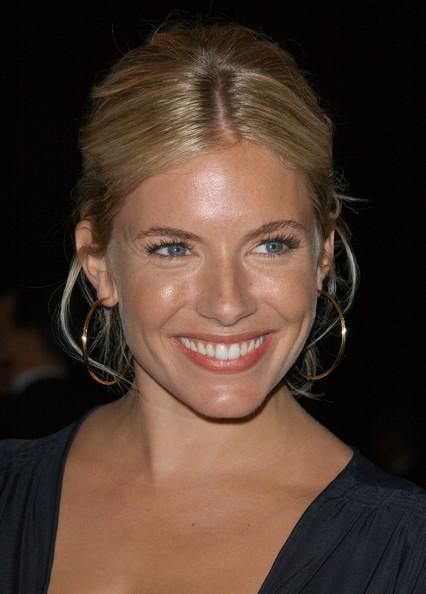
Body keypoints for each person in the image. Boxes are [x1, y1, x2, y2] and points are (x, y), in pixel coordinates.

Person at [0, 21, 424, 594]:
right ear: (98, 264)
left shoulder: (405, 553)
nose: (228, 304)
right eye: (174, 249)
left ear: (322, 254)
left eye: (270, 245)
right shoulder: (9, 493)